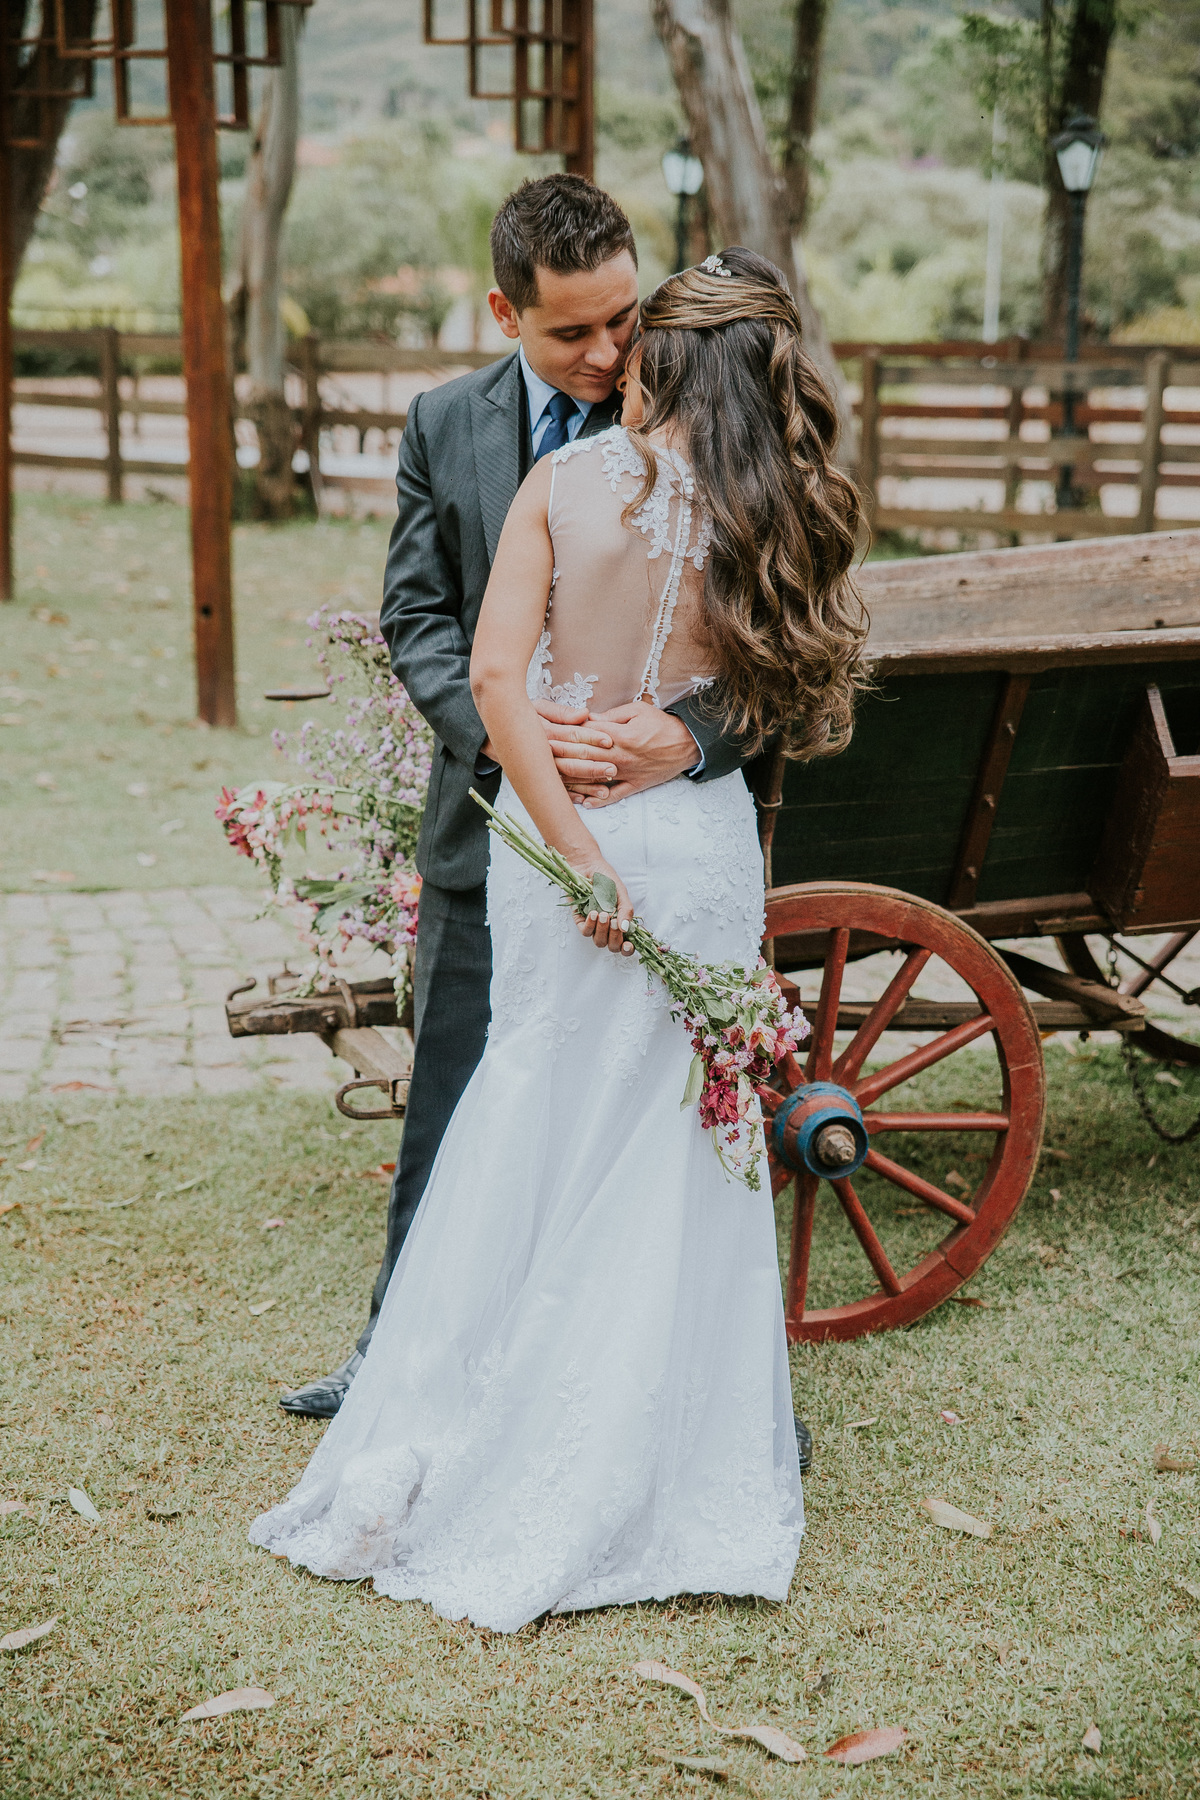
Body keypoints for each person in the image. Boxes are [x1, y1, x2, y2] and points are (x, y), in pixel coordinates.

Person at [250, 245, 866, 1633]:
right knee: (670, 1140)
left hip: (557, 840)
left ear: (657, 352)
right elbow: (802, 674)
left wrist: (577, 847)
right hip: (696, 852)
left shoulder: (563, 485)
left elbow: (486, 671)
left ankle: (475, 1420)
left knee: (532, 1108)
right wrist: (667, 767)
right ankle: (658, 1450)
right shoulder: (787, 510)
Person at [281, 177, 754, 1422]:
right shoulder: (448, 423)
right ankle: (397, 1356)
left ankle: (699, 1379)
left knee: (659, 1119)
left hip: (659, 832)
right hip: (483, 828)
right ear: (504, 311)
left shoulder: (717, 412)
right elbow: (420, 615)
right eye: (571, 333)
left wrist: (683, 742)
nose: (607, 355)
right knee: (454, 1097)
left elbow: (781, 649)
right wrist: (506, 731)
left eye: (622, 320)